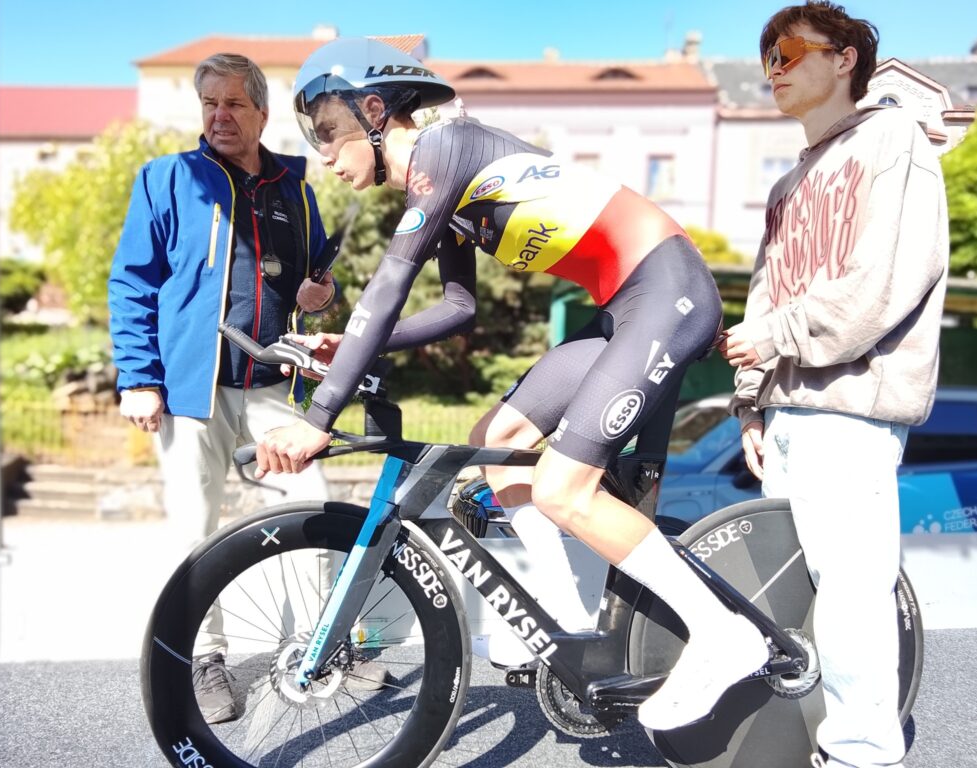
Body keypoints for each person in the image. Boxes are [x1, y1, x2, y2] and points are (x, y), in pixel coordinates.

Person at [256, 36, 771, 732]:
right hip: (624, 306)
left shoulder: (443, 151)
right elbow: (457, 308)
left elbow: (388, 286)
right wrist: (349, 345)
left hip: (667, 289)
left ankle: (723, 634)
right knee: (496, 442)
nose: (322, 153)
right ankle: (567, 624)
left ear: (373, 110)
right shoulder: (438, 187)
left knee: (563, 487)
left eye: (327, 131)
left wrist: (319, 416)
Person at [721, 3, 949, 766]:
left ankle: (862, 752)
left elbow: (887, 280)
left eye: (787, 52)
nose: (774, 71)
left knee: (851, 589)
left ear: (844, 58)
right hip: (785, 410)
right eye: (767, 60)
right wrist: (750, 401)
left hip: (853, 402)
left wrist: (776, 338)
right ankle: (811, 742)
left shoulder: (893, 139)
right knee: (796, 601)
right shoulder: (788, 183)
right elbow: (764, 296)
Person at [108, 53, 346, 725]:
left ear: (262, 114)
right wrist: (140, 378)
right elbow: (132, 283)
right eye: (209, 103)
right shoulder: (166, 180)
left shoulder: (296, 191)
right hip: (192, 390)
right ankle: (204, 657)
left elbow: (315, 286)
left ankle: (316, 650)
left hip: (273, 386)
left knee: (313, 511)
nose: (219, 116)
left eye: (234, 103)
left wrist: (322, 294)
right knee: (194, 530)